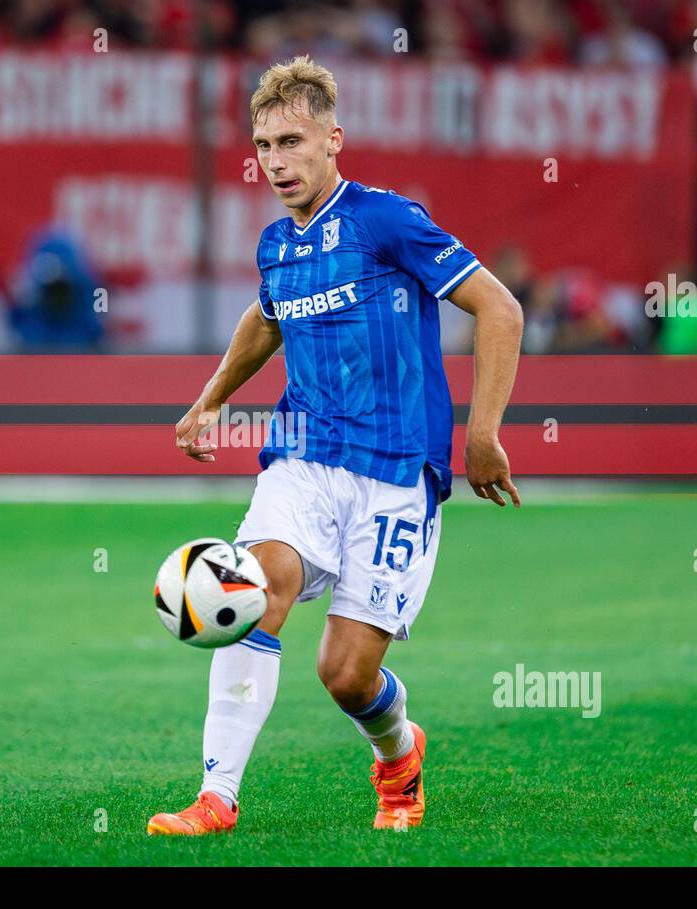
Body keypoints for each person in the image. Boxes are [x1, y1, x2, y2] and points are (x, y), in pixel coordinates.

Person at [148, 55, 523, 836]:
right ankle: (218, 797)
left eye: (290, 141)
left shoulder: (386, 221)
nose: (275, 161)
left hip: (397, 474)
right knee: (254, 591)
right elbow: (267, 317)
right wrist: (210, 400)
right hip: (303, 458)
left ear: (332, 140)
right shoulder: (277, 247)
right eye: (262, 146)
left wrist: (482, 434)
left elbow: (500, 310)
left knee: (346, 676)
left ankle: (398, 754)